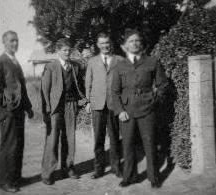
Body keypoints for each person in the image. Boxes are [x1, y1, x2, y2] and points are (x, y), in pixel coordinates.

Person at [111, 29, 168, 188]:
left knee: (149, 144)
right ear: (124, 46)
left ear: (141, 43)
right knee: (127, 145)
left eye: (137, 41)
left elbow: (163, 85)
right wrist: (120, 110)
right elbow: (115, 91)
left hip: (147, 110)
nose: (134, 44)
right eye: (131, 41)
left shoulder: (152, 61)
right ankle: (129, 177)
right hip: (127, 112)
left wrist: (154, 101)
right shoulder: (119, 66)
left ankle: (154, 178)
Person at [0, 30, 34, 193]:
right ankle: (5, 181)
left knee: (18, 145)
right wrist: (8, 106)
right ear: (4, 42)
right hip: (8, 112)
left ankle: (16, 177)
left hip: (19, 112)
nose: (15, 44)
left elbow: (21, 89)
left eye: (16, 41)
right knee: (8, 146)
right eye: (12, 41)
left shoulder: (15, 62)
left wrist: (28, 107)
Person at [41, 38, 88, 185]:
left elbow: (80, 84)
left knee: (69, 138)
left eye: (69, 50)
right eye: (64, 50)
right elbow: (45, 90)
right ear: (58, 51)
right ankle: (47, 172)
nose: (67, 53)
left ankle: (68, 167)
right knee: (52, 139)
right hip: (55, 108)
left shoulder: (74, 67)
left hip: (71, 105)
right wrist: (47, 110)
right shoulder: (51, 66)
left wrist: (83, 100)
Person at [85, 32, 123, 179]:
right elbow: (88, 82)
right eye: (101, 43)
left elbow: (124, 82)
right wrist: (88, 101)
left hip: (114, 104)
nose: (105, 45)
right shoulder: (92, 61)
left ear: (110, 43)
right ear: (97, 45)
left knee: (114, 138)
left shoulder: (119, 60)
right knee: (98, 139)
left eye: (107, 42)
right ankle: (99, 169)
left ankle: (116, 167)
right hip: (97, 105)